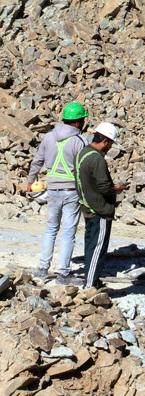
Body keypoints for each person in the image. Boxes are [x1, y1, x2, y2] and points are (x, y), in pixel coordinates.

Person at [26, 101, 91, 283]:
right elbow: (85, 169)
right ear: (78, 122)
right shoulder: (81, 141)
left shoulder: (48, 137)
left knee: (51, 228)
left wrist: (30, 181)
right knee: (68, 231)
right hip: (72, 191)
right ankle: (63, 273)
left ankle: (42, 268)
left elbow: (37, 161)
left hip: (53, 189)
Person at [75, 122, 122, 290]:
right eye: (110, 144)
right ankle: (89, 286)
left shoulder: (83, 153)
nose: (109, 148)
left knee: (91, 245)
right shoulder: (97, 159)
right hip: (99, 209)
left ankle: (92, 280)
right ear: (105, 141)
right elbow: (103, 187)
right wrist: (116, 189)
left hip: (88, 207)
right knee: (98, 248)